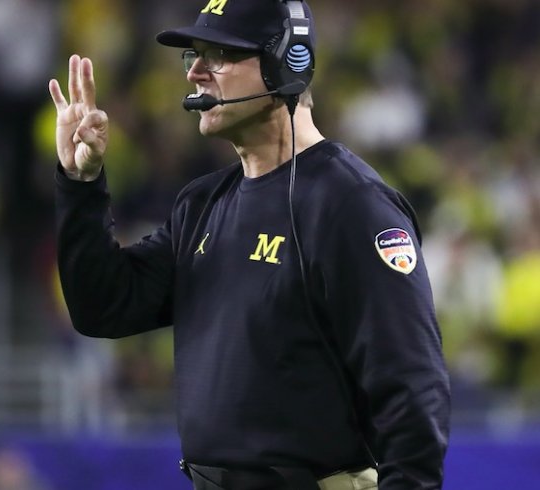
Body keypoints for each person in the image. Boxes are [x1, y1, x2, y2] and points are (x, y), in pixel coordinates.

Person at [48, 1, 450, 489]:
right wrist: (81, 182)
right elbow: (103, 308)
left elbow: (412, 390)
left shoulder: (352, 206)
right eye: (193, 56)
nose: (195, 73)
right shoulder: (201, 204)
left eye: (217, 54)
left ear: (285, 63)